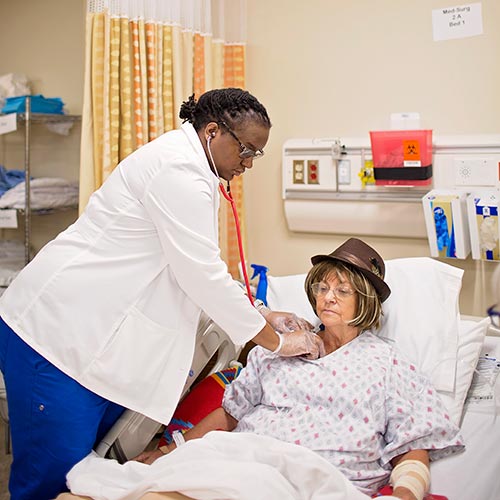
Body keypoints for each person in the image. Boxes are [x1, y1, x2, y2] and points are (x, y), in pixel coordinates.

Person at [0, 88, 323, 500]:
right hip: (56, 337)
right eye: (246, 150)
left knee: (84, 477)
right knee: (52, 479)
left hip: (95, 344)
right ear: (212, 132)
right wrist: (276, 341)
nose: (248, 164)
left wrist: (260, 309)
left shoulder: (194, 170)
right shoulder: (178, 171)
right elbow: (201, 275)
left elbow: (192, 263)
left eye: (255, 155)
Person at [134, 238, 464, 500]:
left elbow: (411, 447)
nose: (328, 298)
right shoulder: (281, 347)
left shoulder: (388, 364)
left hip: (321, 476)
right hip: (243, 461)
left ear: (364, 300)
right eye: (322, 288)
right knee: (147, 491)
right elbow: (230, 412)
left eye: (342, 290)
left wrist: (406, 493)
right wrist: (169, 451)